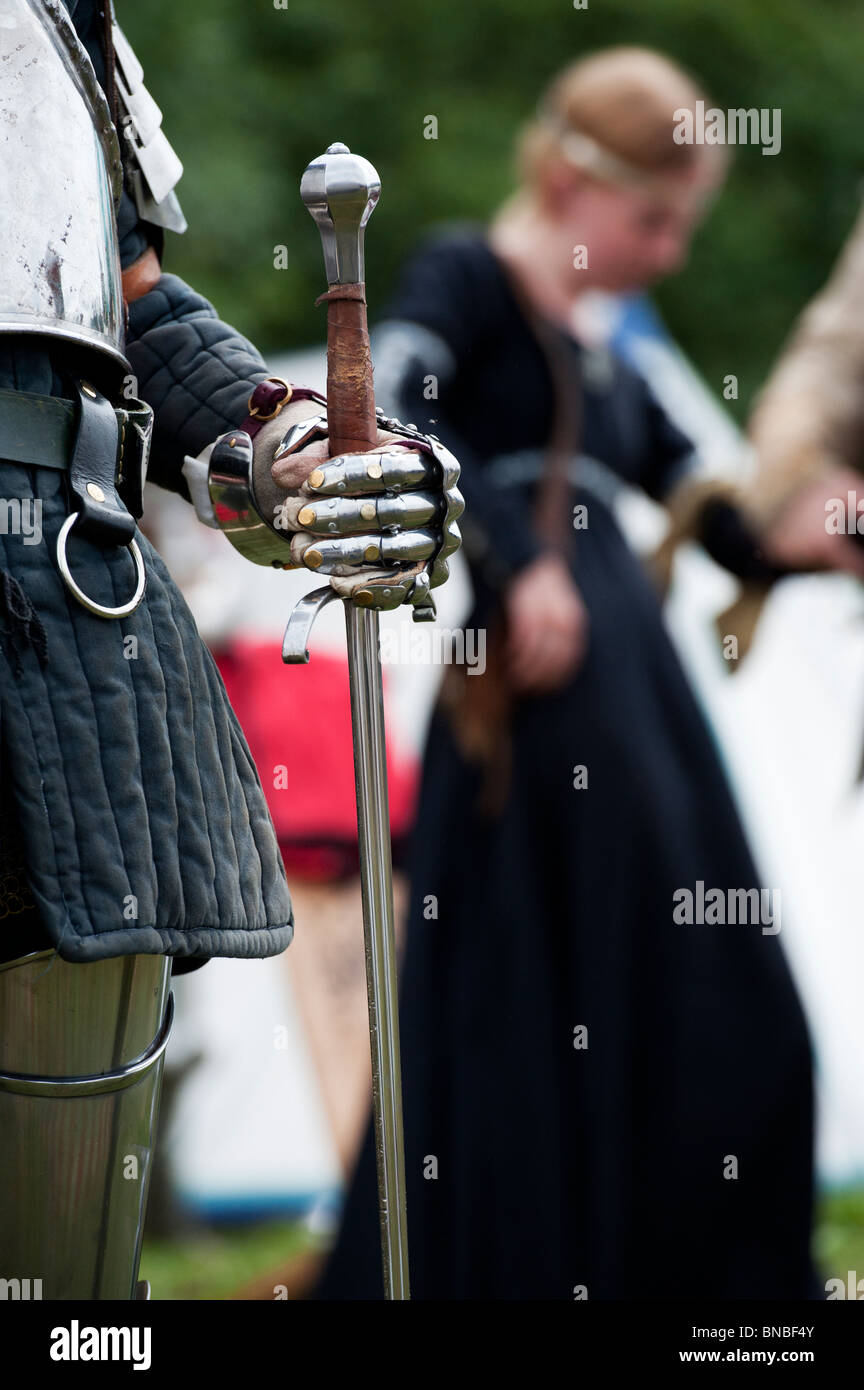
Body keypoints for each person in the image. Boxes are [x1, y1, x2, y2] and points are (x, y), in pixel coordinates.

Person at [316, 47, 823, 1300]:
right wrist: (514, 555)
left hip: (636, 693)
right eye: (655, 219)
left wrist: (820, 534)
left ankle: (674, 1276)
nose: (669, 250)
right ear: (567, 178)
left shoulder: (606, 355)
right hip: (534, 707)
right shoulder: (468, 278)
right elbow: (391, 406)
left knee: (715, 980)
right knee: (527, 998)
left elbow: (723, 522)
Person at [0, 0, 458, 1299]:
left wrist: (300, 456)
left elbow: (126, 310)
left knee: (69, 1281)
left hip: (61, 636)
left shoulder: (57, 15)